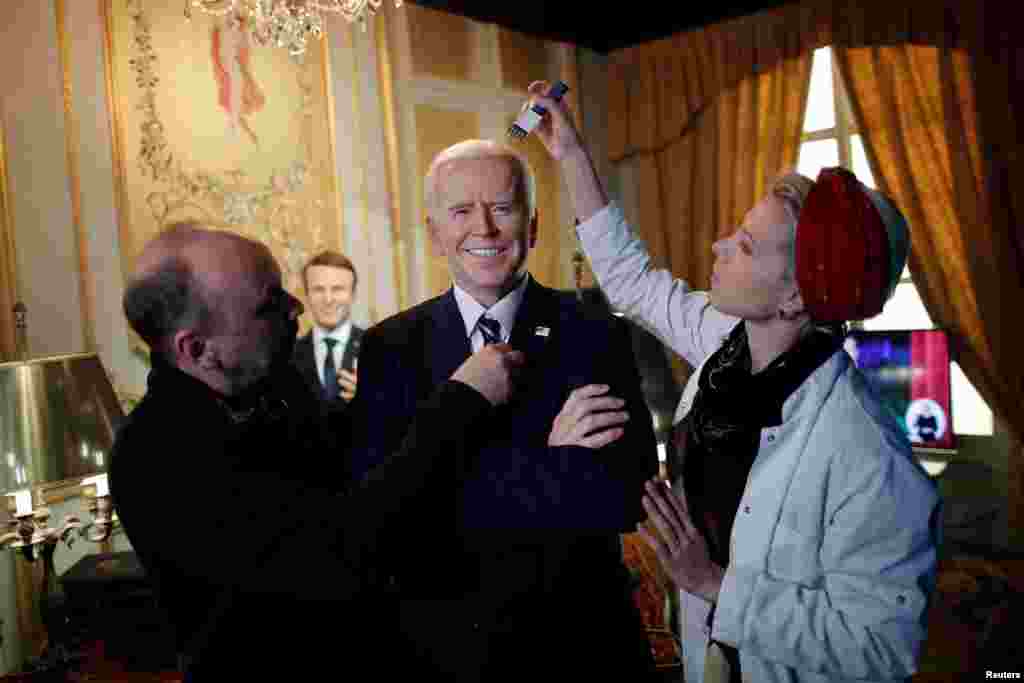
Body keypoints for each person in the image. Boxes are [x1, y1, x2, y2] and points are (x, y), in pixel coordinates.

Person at [526, 80, 942, 683]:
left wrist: (712, 582)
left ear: (798, 295)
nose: (719, 246)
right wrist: (569, 155)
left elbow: (880, 650)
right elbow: (633, 281)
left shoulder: (868, 455)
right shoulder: (726, 347)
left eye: (745, 246)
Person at [109, 222, 526, 681]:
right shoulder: (153, 457)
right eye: (267, 306)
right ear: (197, 349)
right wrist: (461, 402)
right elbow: (340, 549)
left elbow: (360, 452)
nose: (295, 310)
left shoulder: (273, 387)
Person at [347, 139, 660, 679]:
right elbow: (388, 519)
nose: (484, 229)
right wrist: (554, 458)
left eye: (502, 208)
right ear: (434, 231)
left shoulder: (595, 331)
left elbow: (623, 493)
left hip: (583, 646)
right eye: (462, 211)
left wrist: (458, 482)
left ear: (533, 226)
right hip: (450, 652)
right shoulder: (389, 348)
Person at [292, 250, 363, 411]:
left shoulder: (379, 350)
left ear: (352, 294)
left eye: (338, 289)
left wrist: (370, 397)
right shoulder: (288, 356)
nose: (328, 299)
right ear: (307, 294)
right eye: (318, 289)